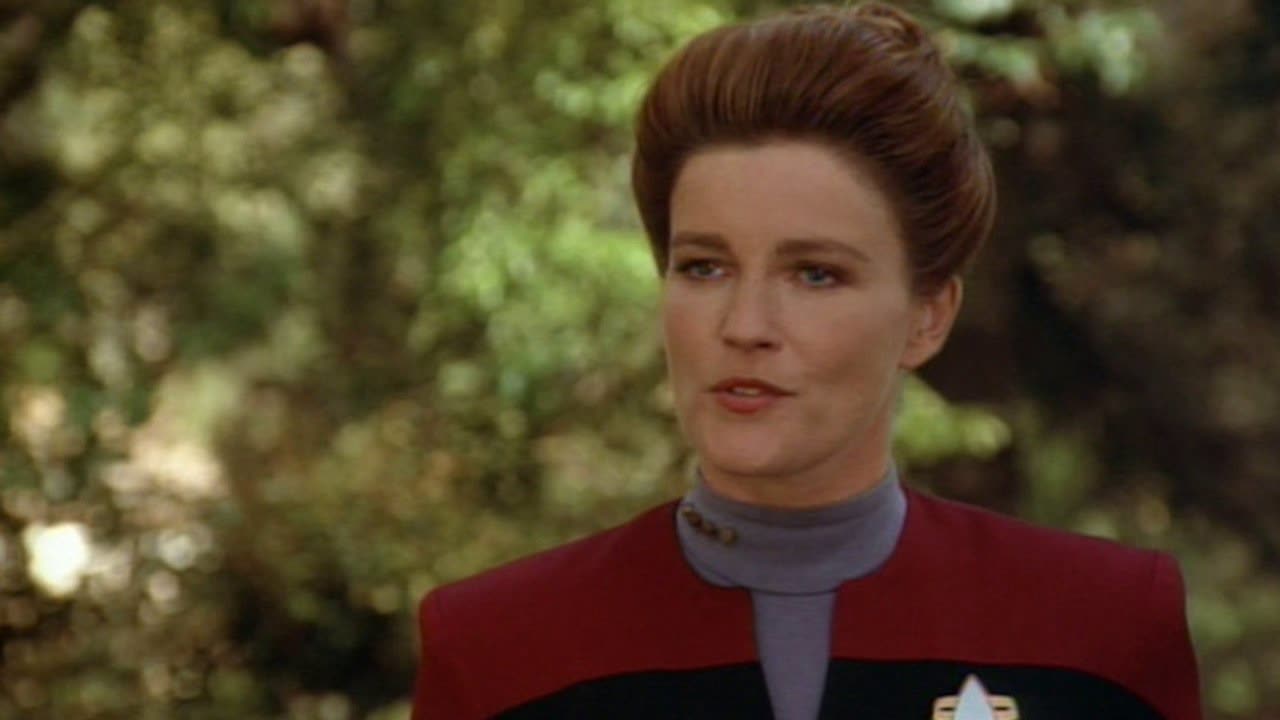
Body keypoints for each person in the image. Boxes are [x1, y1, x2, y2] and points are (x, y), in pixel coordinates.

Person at [411, 3, 1201, 718]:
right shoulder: (496, 654)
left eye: (815, 274)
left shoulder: (1104, 633)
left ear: (927, 317)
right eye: (704, 268)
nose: (744, 326)